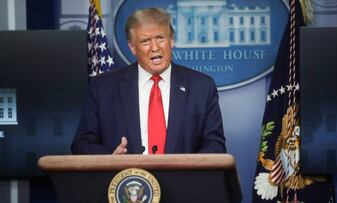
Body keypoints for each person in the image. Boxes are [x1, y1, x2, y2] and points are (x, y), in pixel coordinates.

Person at [71, 7, 226, 155]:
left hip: (182, 180)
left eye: (160, 38)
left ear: (171, 40)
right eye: (145, 41)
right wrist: (110, 159)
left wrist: (188, 166)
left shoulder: (202, 87)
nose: (155, 47)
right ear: (132, 47)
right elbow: (82, 143)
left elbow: (215, 145)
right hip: (125, 180)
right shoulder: (103, 87)